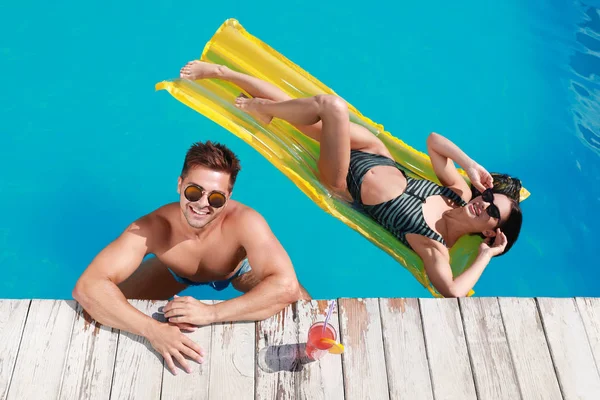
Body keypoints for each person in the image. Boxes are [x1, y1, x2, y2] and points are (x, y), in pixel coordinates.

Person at [178, 60, 523, 298]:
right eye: (491, 198)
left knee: (331, 108)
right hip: (372, 150)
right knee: (304, 105)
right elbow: (435, 142)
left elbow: (451, 291)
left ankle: (264, 109)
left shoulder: (435, 246)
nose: (485, 203)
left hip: (342, 180)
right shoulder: (459, 192)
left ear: (491, 231)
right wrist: (471, 164)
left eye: (494, 212)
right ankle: (223, 73)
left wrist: (485, 257)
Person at [72, 141, 309, 375]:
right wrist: (151, 329)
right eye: (194, 192)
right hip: (174, 270)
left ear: (229, 196)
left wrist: (211, 313)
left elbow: (285, 286)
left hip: (238, 270)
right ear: (179, 184)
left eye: (216, 198)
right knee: (105, 308)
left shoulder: (246, 222)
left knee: (303, 307)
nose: (202, 204)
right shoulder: (155, 228)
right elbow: (87, 288)